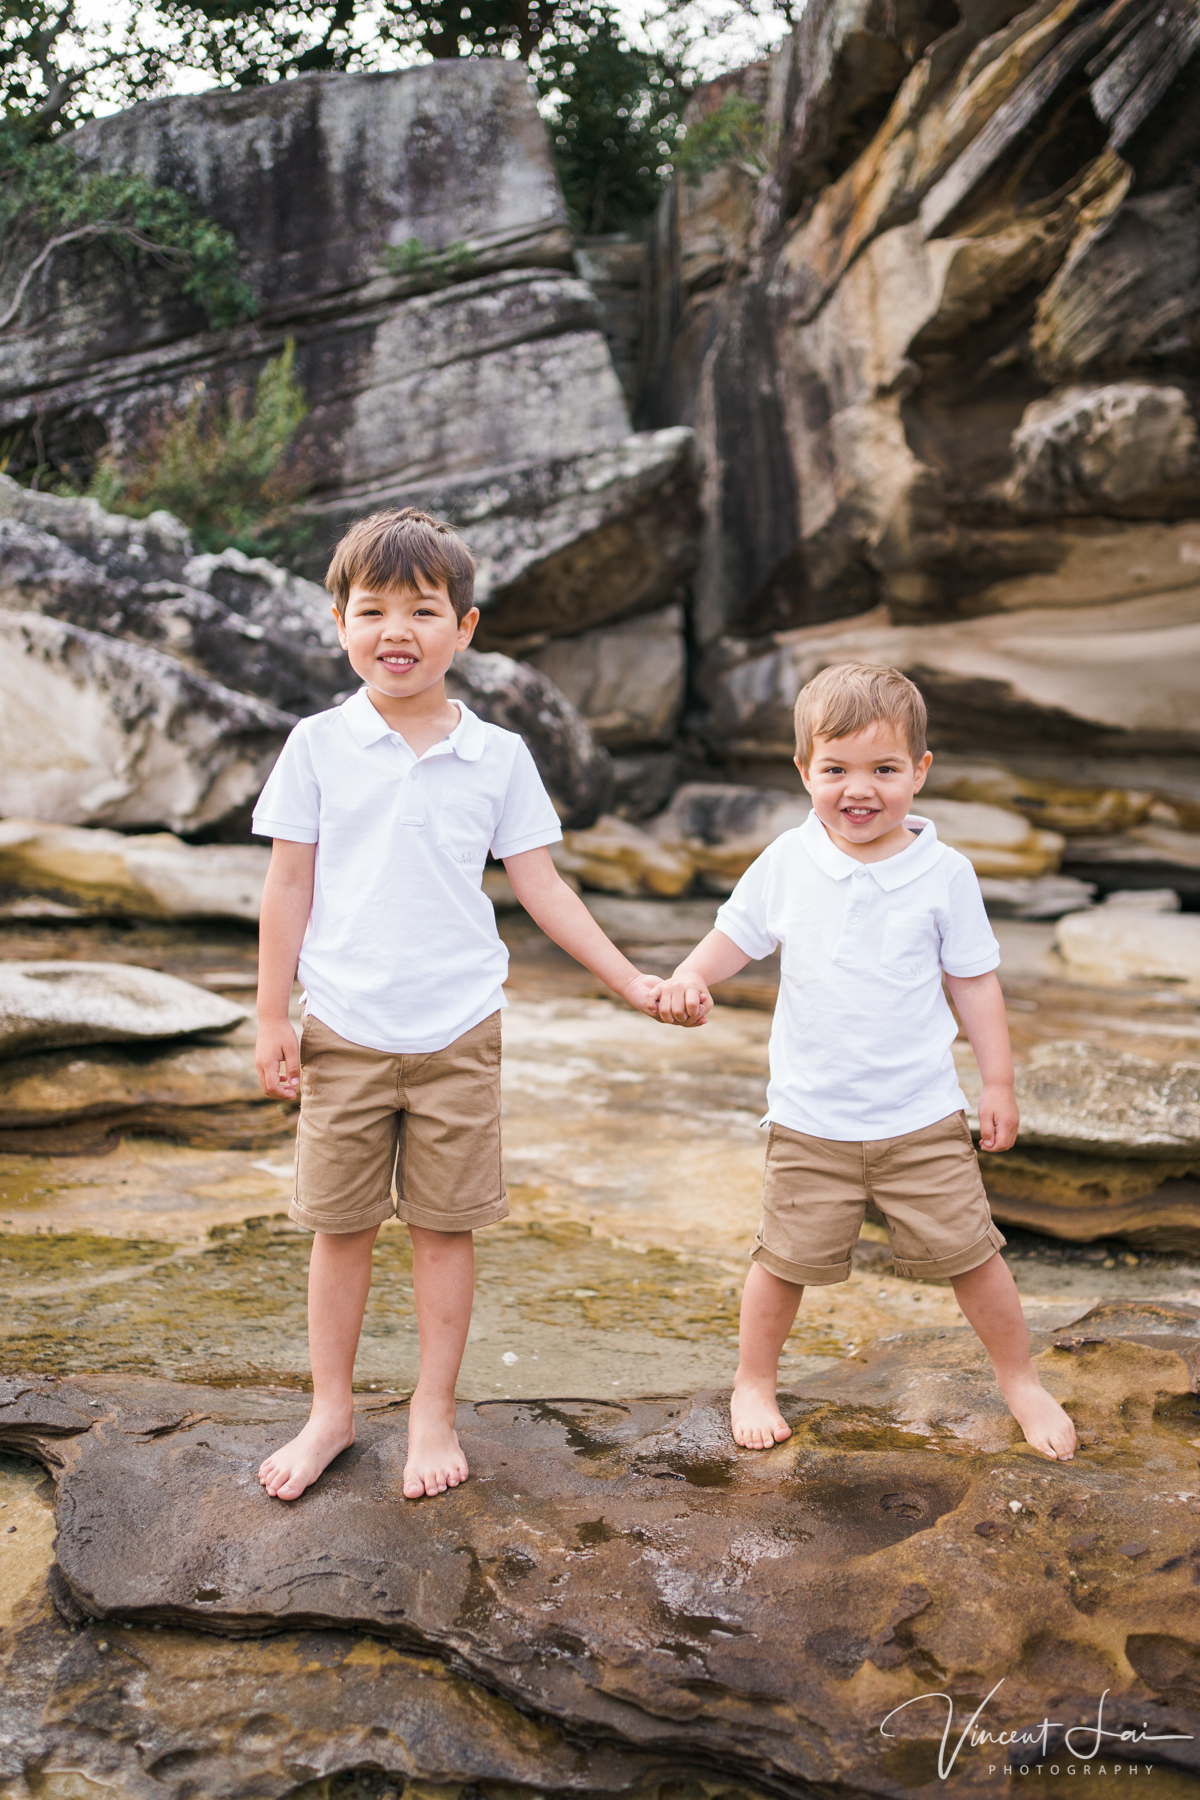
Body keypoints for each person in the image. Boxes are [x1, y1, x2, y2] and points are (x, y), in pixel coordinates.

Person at [252, 507, 662, 1503]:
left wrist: (632, 981)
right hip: (343, 1024)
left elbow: (544, 888)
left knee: (444, 1227)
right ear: (338, 620)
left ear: (465, 629)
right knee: (337, 1227)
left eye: (424, 611)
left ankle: (432, 1409)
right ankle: (332, 1411)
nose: (398, 630)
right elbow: (288, 887)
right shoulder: (317, 745)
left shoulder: (499, 757)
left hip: (458, 1031)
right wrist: (270, 1016)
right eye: (374, 609)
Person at [653, 662, 1076, 1462]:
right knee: (782, 1261)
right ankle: (754, 1380)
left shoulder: (944, 874)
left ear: (919, 772)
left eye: (884, 770)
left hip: (919, 1115)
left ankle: (1020, 1381)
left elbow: (975, 983)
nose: (860, 790)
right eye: (836, 769)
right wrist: (687, 978)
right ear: (803, 771)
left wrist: (997, 1083)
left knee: (974, 1256)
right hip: (811, 1118)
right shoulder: (787, 860)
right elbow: (736, 937)